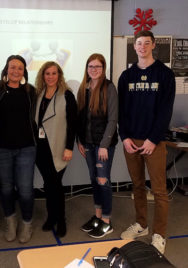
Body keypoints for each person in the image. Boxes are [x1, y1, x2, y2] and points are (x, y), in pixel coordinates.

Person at [118, 30, 175, 254]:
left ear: (153, 46)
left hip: (154, 142)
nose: (142, 47)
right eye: (138, 43)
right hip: (131, 141)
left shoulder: (164, 74)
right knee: (138, 185)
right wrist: (124, 138)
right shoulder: (126, 76)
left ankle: (159, 234)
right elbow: (121, 111)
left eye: (146, 43)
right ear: (134, 47)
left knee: (159, 190)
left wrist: (153, 139)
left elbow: (165, 110)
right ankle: (141, 225)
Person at [0, 55, 36, 243]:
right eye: (12, 67)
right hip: (1, 148)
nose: (16, 71)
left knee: (25, 189)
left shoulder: (30, 91)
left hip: (26, 148)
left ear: (24, 71)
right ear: (6, 69)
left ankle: (26, 223)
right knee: (6, 189)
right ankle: (10, 221)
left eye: (19, 68)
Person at [77, 54, 118, 238]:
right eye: (91, 66)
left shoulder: (109, 88)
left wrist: (104, 145)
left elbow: (113, 119)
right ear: (86, 68)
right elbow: (81, 118)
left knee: (103, 181)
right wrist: (80, 140)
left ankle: (107, 221)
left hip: (103, 145)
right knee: (94, 180)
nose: (94, 69)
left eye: (98, 67)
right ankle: (98, 216)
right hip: (88, 143)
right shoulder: (84, 88)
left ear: (104, 68)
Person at [35, 61, 77, 237]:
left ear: (59, 75)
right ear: (42, 76)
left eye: (54, 73)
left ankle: (61, 220)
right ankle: (51, 217)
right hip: (41, 148)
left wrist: (69, 148)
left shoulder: (67, 95)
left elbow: (73, 124)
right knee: (48, 184)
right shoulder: (39, 94)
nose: (50, 77)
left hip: (59, 147)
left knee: (56, 186)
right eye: (47, 73)